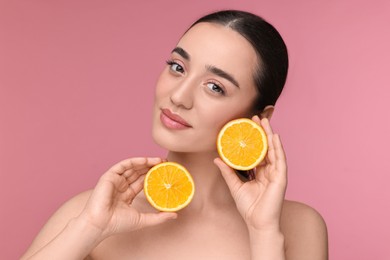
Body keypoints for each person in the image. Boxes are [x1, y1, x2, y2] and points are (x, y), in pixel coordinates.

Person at [21, 10, 328, 259]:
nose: (179, 96)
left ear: (258, 118)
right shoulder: (90, 212)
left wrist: (263, 235)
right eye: (177, 67)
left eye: (215, 87)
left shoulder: (297, 228)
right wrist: (89, 228)